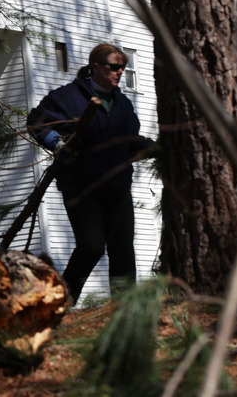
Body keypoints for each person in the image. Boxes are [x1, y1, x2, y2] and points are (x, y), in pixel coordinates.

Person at [26, 43, 154, 303]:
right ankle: (62, 303)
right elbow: (37, 122)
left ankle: (124, 311)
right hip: (82, 187)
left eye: (123, 68)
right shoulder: (67, 97)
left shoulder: (122, 104)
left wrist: (154, 147)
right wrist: (56, 143)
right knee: (91, 246)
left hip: (117, 187)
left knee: (122, 249)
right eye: (114, 67)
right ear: (95, 67)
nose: (120, 72)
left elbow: (130, 140)